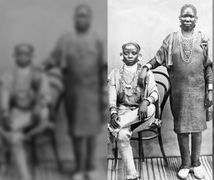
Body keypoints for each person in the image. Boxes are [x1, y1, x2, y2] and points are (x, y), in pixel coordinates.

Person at [138, 4, 213, 179]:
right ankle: (185, 164)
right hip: (179, 92)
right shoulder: (171, 39)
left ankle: (196, 163)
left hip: (199, 91)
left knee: (197, 130)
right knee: (182, 129)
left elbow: (208, 67)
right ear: (179, 18)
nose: (188, 19)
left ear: (196, 19)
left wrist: (210, 90)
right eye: (184, 16)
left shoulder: (203, 39)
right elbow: (158, 58)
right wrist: (146, 67)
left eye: (191, 16)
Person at [43, 4, 106, 180]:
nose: (82, 19)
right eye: (79, 16)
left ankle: (90, 167)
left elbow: (102, 68)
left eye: (85, 16)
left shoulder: (97, 39)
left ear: (90, 19)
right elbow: (53, 58)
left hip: (93, 92)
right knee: (77, 133)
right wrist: (39, 69)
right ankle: (79, 169)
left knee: (92, 133)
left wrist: (103, 93)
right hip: (74, 94)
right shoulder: (66, 39)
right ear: (74, 19)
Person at [108, 42, 159, 180]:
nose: (130, 55)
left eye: (133, 53)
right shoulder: (115, 73)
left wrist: (145, 102)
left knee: (152, 107)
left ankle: (115, 127)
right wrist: (113, 113)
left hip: (142, 116)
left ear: (139, 56)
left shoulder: (146, 73)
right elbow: (112, 98)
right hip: (123, 113)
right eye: (126, 52)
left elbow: (155, 93)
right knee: (122, 135)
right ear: (121, 55)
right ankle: (132, 175)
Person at [0, 43, 52, 180]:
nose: (23, 57)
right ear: (15, 56)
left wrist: (39, 105)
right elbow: (4, 93)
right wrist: (5, 112)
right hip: (17, 112)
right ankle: (25, 176)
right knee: (15, 137)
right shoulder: (8, 74)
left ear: (31, 56)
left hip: (35, 113)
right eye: (20, 54)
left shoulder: (39, 74)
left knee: (43, 113)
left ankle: (8, 134)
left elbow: (47, 96)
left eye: (26, 54)